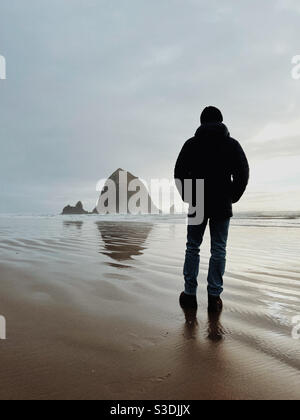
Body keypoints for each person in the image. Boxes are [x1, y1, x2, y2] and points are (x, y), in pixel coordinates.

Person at [175, 106, 249, 313]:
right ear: (221, 120)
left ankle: (189, 294)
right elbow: (243, 173)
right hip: (221, 203)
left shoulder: (191, 144)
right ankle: (214, 298)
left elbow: (179, 172)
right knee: (218, 249)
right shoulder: (231, 144)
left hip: (197, 201)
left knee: (192, 247)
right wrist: (232, 196)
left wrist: (188, 195)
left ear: (201, 122)